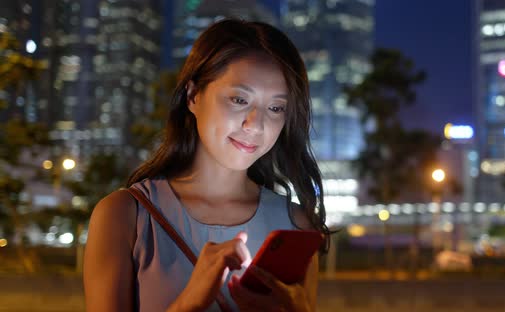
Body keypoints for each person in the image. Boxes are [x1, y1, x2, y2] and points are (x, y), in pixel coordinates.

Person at [83, 18, 330, 312]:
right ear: (193, 96)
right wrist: (188, 303)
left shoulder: (296, 227)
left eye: (276, 108)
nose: (256, 125)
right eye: (239, 99)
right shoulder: (126, 215)